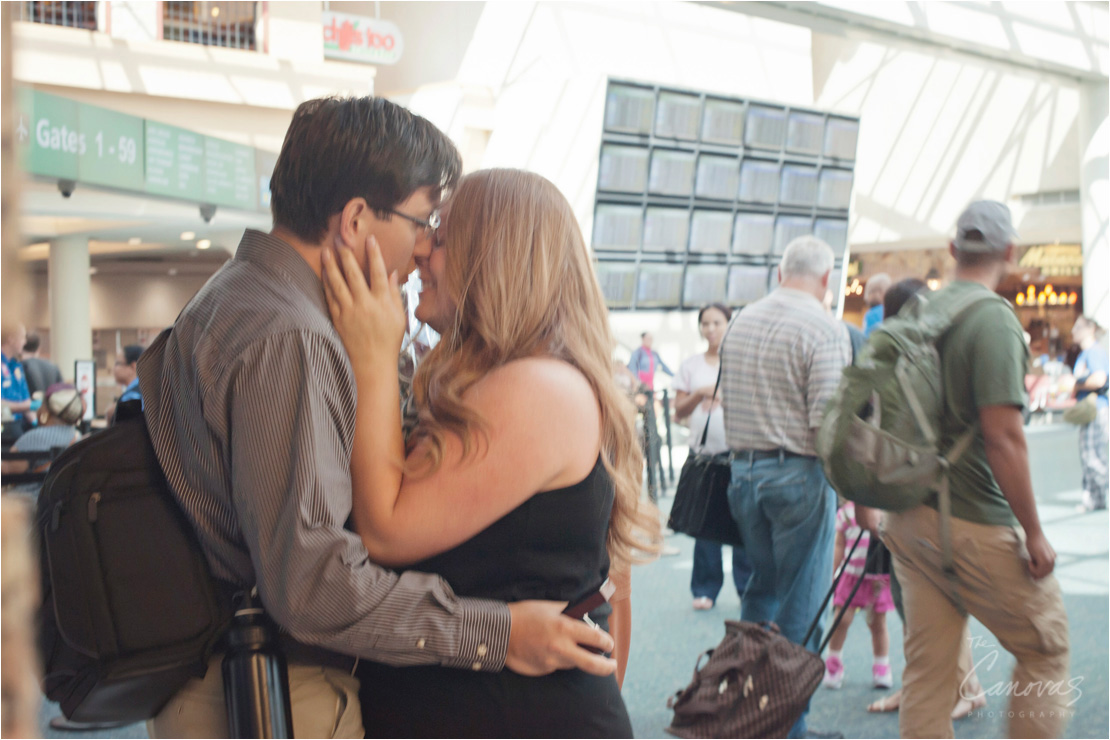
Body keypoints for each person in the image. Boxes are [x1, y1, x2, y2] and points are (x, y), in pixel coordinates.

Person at [136, 98, 617, 739]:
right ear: (359, 219)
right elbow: (313, 582)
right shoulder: (290, 337)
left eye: (440, 235)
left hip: (274, 682)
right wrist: (494, 634)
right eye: (424, 223)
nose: (421, 250)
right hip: (269, 686)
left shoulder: (242, 300)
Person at [322, 168, 660, 737]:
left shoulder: (538, 388)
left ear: (496, 260)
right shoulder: (524, 380)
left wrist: (373, 356)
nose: (423, 249)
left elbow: (386, 529)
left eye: (444, 236)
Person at [881, 201, 1069, 739]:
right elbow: (1004, 439)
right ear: (1010, 253)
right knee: (1045, 647)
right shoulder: (991, 319)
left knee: (929, 673)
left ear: (951, 250)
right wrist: (1033, 532)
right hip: (970, 521)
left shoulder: (917, 313)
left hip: (908, 519)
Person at [721, 235, 851, 739]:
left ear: (780, 273)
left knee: (762, 592)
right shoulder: (823, 327)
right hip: (799, 475)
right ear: (826, 279)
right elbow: (827, 423)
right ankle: (787, 727)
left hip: (743, 474)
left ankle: (747, 713)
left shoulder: (741, 320)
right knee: (803, 605)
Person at [859, 277, 986, 719]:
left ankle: (964, 689)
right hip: (930, 497)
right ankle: (948, 688)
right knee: (921, 600)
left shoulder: (906, 354)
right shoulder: (935, 350)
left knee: (929, 600)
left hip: (919, 498)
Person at [673, 303, 753, 611]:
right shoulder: (692, 365)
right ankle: (705, 588)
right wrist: (702, 393)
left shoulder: (742, 362)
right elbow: (678, 411)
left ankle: (747, 587)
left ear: (729, 324)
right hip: (705, 457)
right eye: (705, 323)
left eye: (717, 322)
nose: (711, 329)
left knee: (743, 525)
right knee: (706, 525)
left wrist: (724, 399)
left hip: (739, 455)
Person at [821, 501, 894, 690]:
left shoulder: (888, 511)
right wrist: (833, 572)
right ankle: (833, 663)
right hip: (851, 576)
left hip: (877, 579)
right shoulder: (846, 513)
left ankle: (882, 665)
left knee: (878, 624)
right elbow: (839, 545)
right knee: (841, 621)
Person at [1070, 315, 1108, 512]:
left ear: (1089, 329)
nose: (1073, 332)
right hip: (1088, 408)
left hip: (1095, 407)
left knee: (1092, 453)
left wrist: (1075, 384)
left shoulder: (1094, 353)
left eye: (1077, 328)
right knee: (1088, 453)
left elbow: (1100, 379)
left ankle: (1096, 496)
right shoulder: (1085, 354)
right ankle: (1094, 496)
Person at [1, 325, 32, 439]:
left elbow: (25, 399)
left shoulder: (16, 366)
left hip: (18, 428)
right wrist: (24, 406)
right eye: (22, 337)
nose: (25, 342)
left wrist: (37, 424)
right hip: (4, 428)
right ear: (11, 339)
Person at [106, 345, 144, 422]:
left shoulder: (132, 397)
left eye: (117, 363)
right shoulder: (143, 388)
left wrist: (112, 413)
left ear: (133, 366)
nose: (113, 369)